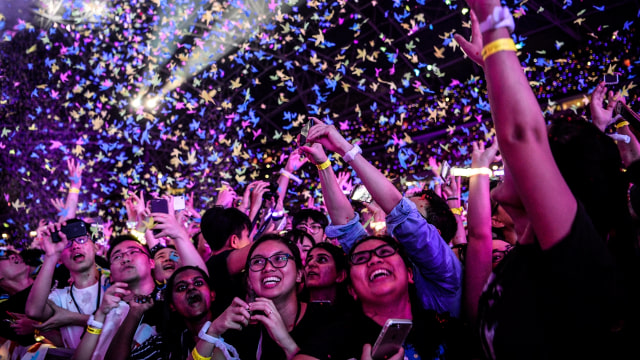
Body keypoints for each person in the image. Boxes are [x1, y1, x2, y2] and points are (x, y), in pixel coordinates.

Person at [454, 3, 627, 358]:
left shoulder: (576, 260)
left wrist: (493, 21)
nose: (513, 159)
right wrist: (491, 66)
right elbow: (517, 134)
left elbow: (521, 135)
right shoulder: (523, 258)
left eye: (540, 158)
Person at [299, 124, 463, 317]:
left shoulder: (445, 270)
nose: (395, 219)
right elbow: (347, 226)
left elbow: (398, 210)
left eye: (414, 214)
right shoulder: (386, 256)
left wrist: (345, 148)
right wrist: (323, 163)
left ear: (434, 234)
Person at [220, 234, 353, 360]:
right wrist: (212, 332)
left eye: (279, 259)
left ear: (299, 274)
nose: (268, 268)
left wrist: (285, 341)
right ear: (249, 279)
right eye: (258, 261)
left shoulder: (330, 319)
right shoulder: (241, 327)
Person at [26, 219, 110, 351]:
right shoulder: (61, 297)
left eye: (82, 239)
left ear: (96, 247)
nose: (75, 246)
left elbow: (123, 323)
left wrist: (71, 318)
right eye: (67, 243)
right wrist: (51, 255)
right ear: (60, 258)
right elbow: (33, 311)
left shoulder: (114, 283)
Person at [164, 266, 242, 360]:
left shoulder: (239, 328)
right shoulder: (166, 346)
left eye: (198, 283)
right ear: (172, 305)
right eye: (181, 287)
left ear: (212, 294)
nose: (191, 288)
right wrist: (211, 333)